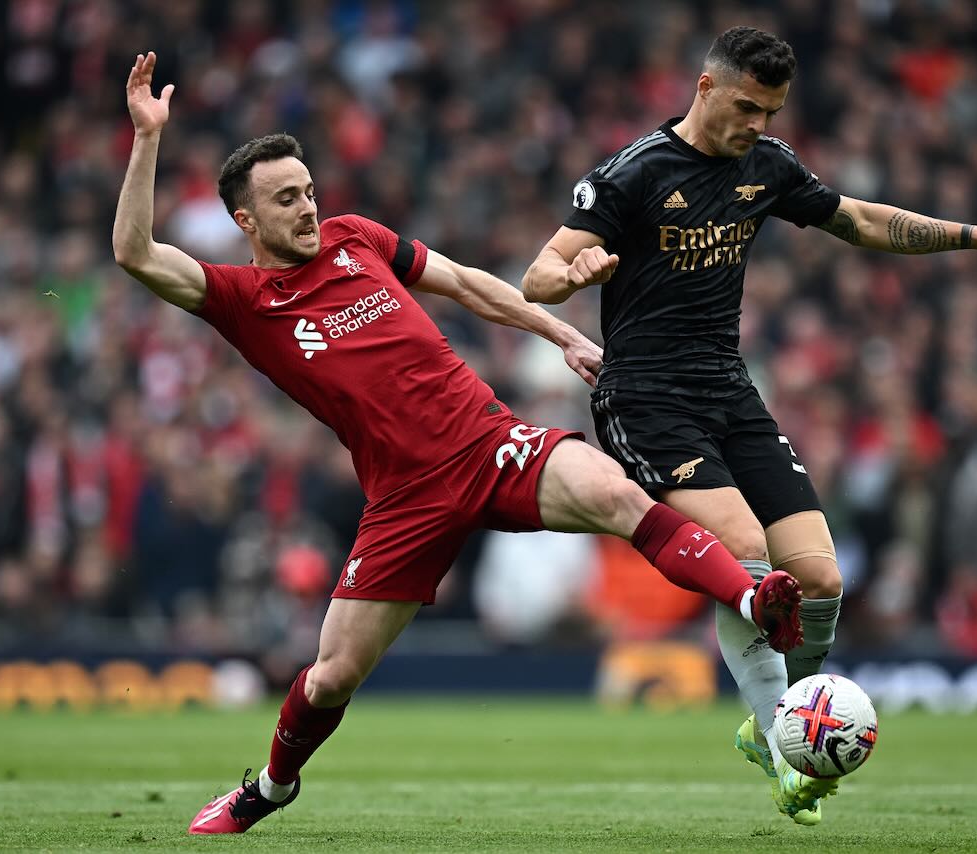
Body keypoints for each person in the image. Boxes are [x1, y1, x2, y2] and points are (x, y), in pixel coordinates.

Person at [114, 52, 804, 836]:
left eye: (308, 191)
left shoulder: (355, 238)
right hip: (405, 498)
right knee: (332, 677)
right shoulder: (242, 299)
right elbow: (135, 254)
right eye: (285, 200)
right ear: (246, 222)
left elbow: (468, 282)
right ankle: (269, 789)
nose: (307, 209)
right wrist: (148, 138)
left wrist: (557, 332)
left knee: (616, 491)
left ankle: (752, 599)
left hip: (488, 442)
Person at [523, 26, 977, 825]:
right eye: (746, 107)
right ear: (705, 88)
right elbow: (538, 276)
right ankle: (782, 743)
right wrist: (576, 273)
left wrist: (975, 237)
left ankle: (774, 715)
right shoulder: (634, 172)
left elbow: (859, 220)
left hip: (729, 390)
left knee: (820, 582)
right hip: (645, 398)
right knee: (746, 549)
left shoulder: (766, 166)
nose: (757, 124)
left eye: (770, 111)